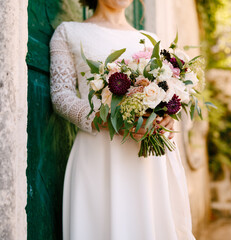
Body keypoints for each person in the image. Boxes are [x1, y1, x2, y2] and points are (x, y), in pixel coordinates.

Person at [49, 0, 195, 239]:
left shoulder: (150, 39)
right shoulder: (69, 32)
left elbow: (167, 90)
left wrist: (169, 116)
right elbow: (61, 96)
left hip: (148, 161)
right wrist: (111, 122)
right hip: (99, 154)